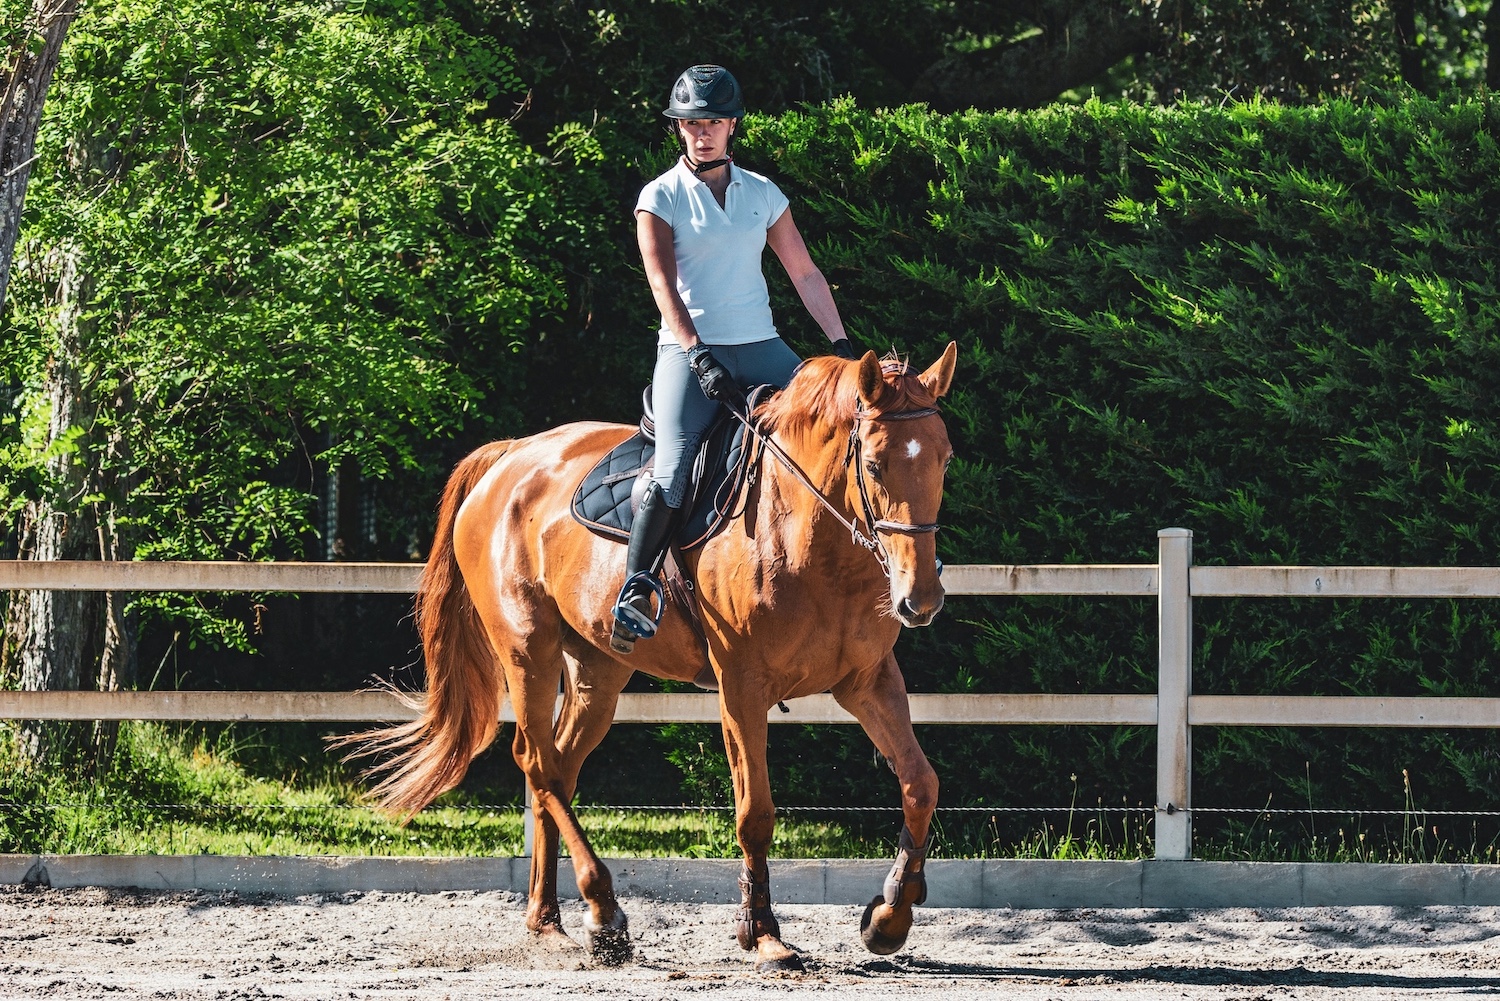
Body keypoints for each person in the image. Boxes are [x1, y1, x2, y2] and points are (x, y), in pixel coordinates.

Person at [612, 64, 857, 648]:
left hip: (763, 346)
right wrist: (695, 353)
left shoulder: (763, 193)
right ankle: (636, 587)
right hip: (687, 353)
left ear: (732, 125)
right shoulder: (660, 196)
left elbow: (804, 272)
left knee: (851, 423)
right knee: (672, 465)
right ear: (679, 128)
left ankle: (892, 558)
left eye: (714, 121)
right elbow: (661, 285)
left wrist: (842, 346)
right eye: (692, 122)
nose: (703, 132)